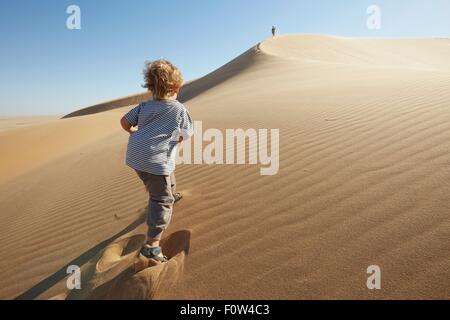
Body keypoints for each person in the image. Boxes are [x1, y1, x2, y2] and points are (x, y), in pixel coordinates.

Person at [120, 59, 193, 263]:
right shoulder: (179, 110)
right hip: (156, 161)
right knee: (160, 199)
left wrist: (133, 130)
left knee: (160, 181)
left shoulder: (143, 106)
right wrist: (175, 142)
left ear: (151, 87)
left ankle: (166, 193)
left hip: (136, 157)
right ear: (176, 88)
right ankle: (152, 246)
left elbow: (124, 122)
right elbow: (185, 134)